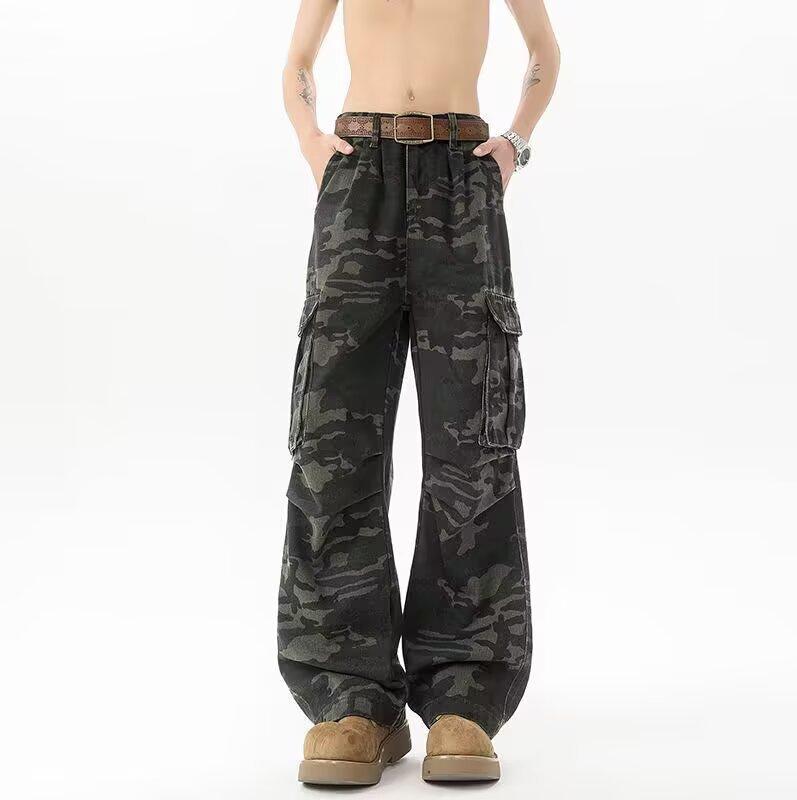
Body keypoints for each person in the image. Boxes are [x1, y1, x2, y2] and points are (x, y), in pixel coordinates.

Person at [278, 0, 559, 785]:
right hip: (357, 174)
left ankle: (465, 695)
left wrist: (514, 144)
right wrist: (311, 143)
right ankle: (351, 699)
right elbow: (298, 62)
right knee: (332, 442)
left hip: (462, 178)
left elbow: (544, 51)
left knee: (474, 443)